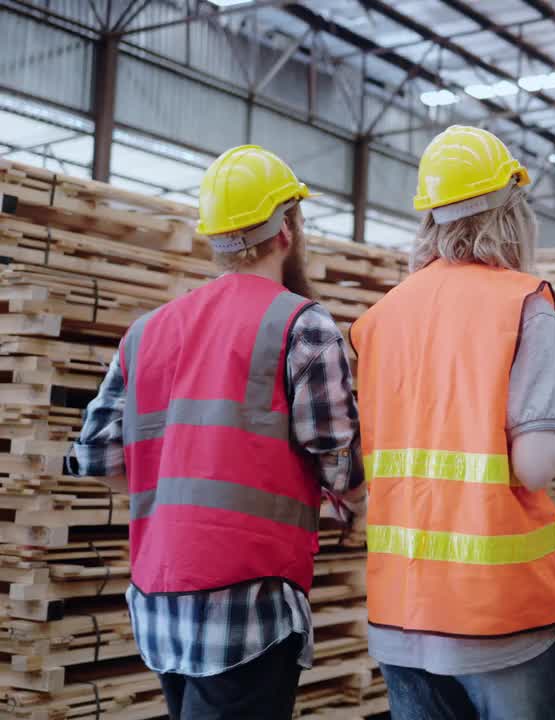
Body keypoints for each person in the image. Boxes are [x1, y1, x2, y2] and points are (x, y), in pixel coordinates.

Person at [65, 145, 364, 719]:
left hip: (158, 603)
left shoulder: (146, 332)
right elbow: (339, 463)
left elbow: (98, 458)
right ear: (288, 231)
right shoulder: (303, 324)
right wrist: (355, 504)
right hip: (249, 606)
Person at [352, 125, 555, 720]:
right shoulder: (523, 301)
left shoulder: (379, 319)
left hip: (401, 611)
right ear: (512, 212)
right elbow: (532, 465)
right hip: (499, 617)